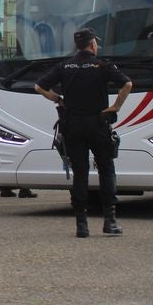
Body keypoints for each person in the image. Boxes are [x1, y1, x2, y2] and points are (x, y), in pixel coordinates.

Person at [35, 28, 133, 238]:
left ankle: (82, 224)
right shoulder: (101, 65)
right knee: (106, 169)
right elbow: (127, 84)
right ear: (92, 44)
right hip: (98, 123)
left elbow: (39, 87)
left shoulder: (65, 66)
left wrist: (57, 99)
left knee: (80, 173)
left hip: (73, 125)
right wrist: (115, 106)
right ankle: (110, 220)